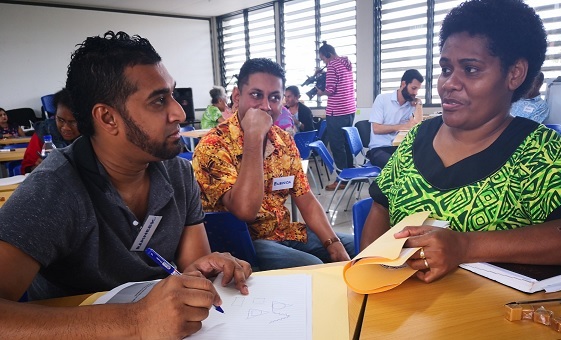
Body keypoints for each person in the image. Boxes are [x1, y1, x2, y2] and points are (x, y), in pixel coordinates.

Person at [0, 31, 251, 339]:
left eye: (172, 95)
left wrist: (206, 267)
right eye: (159, 100)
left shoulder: (178, 174)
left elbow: (190, 267)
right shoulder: (53, 191)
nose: (180, 112)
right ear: (107, 118)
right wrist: (134, 321)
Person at [360, 0, 561, 284]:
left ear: (514, 74)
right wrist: (372, 275)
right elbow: (381, 208)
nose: (448, 84)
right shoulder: (418, 138)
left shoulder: (540, 151)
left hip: (491, 320)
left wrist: (466, 246)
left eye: (471, 69)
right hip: (403, 314)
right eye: (446, 69)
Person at [192, 58, 355, 271]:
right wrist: (254, 136)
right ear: (237, 96)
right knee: (312, 268)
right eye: (256, 95)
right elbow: (245, 211)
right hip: (243, 242)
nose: (266, 106)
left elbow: (306, 199)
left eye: (275, 97)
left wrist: (334, 245)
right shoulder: (214, 145)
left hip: (283, 232)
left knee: (355, 247)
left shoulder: (283, 140)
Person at [315, 41, 356, 191]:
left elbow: (331, 89)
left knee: (337, 146)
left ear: (328, 55)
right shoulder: (346, 63)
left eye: (323, 58)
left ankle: (342, 179)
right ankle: (350, 174)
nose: (324, 62)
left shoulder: (332, 65)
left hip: (337, 112)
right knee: (346, 143)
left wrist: (321, 92)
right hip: (349, 109)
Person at [366, 69, 424, 168]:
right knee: (399, 168)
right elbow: (376, 129)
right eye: (414, 88)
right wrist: (403, 126)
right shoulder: (382, 99)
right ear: (403, 84)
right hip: (379, 148)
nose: (415, 93)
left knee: (422, 162)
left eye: (418, 89)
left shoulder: (410, 104)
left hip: (398, 147)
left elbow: (417, 125)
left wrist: (419, 103)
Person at [21, 88, 81, 173]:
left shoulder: (96, 135)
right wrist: (36, 168)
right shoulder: (44, 132)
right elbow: (25, 169)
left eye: (73, 122)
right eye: (60, 120)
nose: (65, 127)